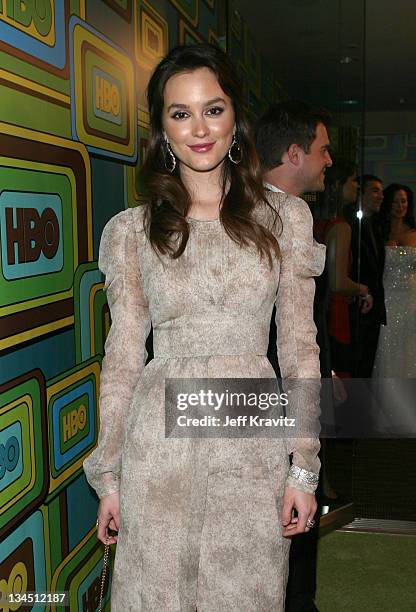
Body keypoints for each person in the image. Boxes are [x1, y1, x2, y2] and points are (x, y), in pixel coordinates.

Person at [83, 45, 323, 611]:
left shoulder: (284, 219)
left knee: (246, 594)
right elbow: (122, 359)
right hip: (158, 450)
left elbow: (299, 348)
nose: (199, 129)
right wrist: (110, 476)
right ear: (161, 128)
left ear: (235, 117)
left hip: (251, 444)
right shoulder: (132, 233)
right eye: (180, 113)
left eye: (213, 110)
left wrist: (304, 467)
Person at [256, 100, 330, 612]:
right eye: (323, 151)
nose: (329, 162)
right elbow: (293, 339)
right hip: (260, 399)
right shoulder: (283, 214)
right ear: (294, 152)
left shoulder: (241, 205)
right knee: (284, 525)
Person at [320, 159, 373, 378]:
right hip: (335, 314)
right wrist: (362, 289)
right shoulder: (340, 227)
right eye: (352, 181)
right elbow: (338, 282)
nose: (357, 186)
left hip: (322, 308)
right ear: (338, 185)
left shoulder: (316, 220)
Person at [373, 184, 416, 380]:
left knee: (409, 348)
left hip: (411, 298)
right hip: (386, 297)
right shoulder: (378, 231)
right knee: (387, 346)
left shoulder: (414, 233)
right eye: (396, 201)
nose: (400, 206)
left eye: (404, 201)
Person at [349, 174, 386, 378]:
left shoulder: (376, 227)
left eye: (381, 191)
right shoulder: (352, 225)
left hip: (373, 310)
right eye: (374, 190)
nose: (381, 196)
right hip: (358, 309)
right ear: (360, 194)